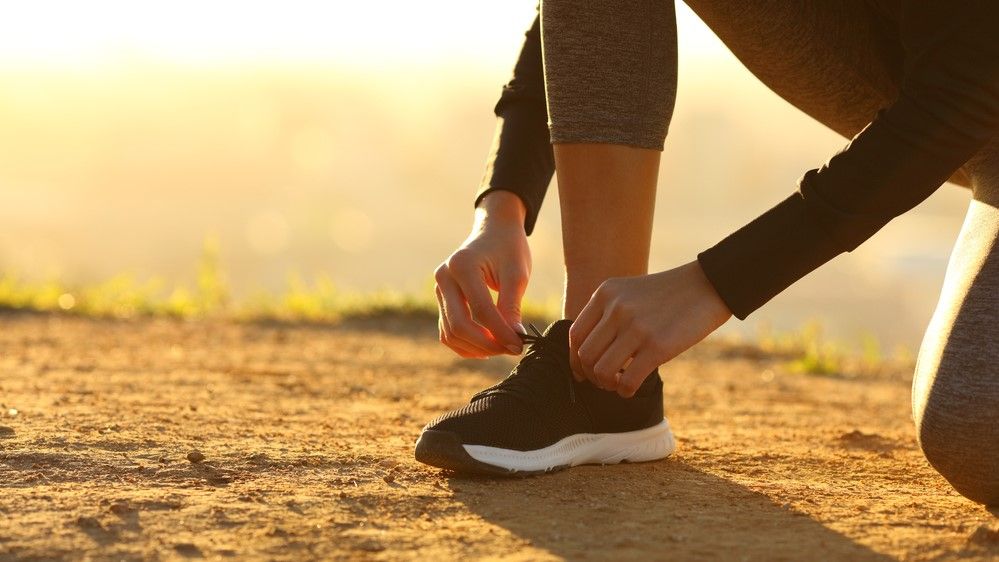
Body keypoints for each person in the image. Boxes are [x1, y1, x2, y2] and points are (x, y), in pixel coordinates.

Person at [414, 0, 998, 506]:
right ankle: (596, 375)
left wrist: (713, 285)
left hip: (971, 84)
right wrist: (503, 204)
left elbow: (969, 82)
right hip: (944, 84)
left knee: (978, 427)